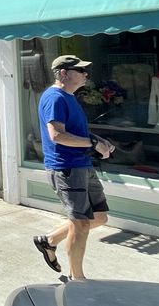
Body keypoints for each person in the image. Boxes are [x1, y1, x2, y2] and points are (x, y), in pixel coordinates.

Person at [33, 55, 115, 281]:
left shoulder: (69, 97)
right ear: (63, 73)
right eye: (80, 70)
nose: (86, 74)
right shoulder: (54, 98)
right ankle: (77, 280)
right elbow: (57, 135)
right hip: (66, 168)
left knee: (99, 217)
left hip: (82, 165)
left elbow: (76, 133)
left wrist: (99, 142)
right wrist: (93, 143)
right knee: (80, 224)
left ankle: (47, 241)